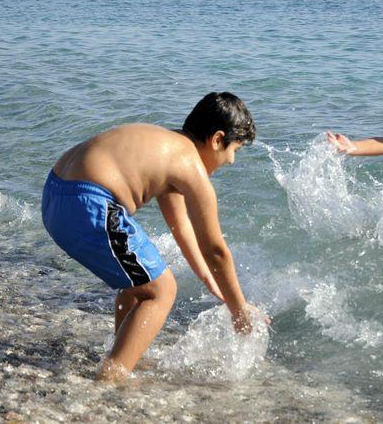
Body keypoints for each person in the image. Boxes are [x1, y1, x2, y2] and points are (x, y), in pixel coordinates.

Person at [41, 92, 263, 381]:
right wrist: (239, 310)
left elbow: (180, 226)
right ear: (217, 139)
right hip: (89, 203)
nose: (231, 161)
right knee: (162, 290)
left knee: (140, 283)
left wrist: (208, 279)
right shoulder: (190, 164)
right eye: (235, 150)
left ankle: (125, 356)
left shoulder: (168, 148)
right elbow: (216, 250)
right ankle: (113, 377)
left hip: (55, 196)